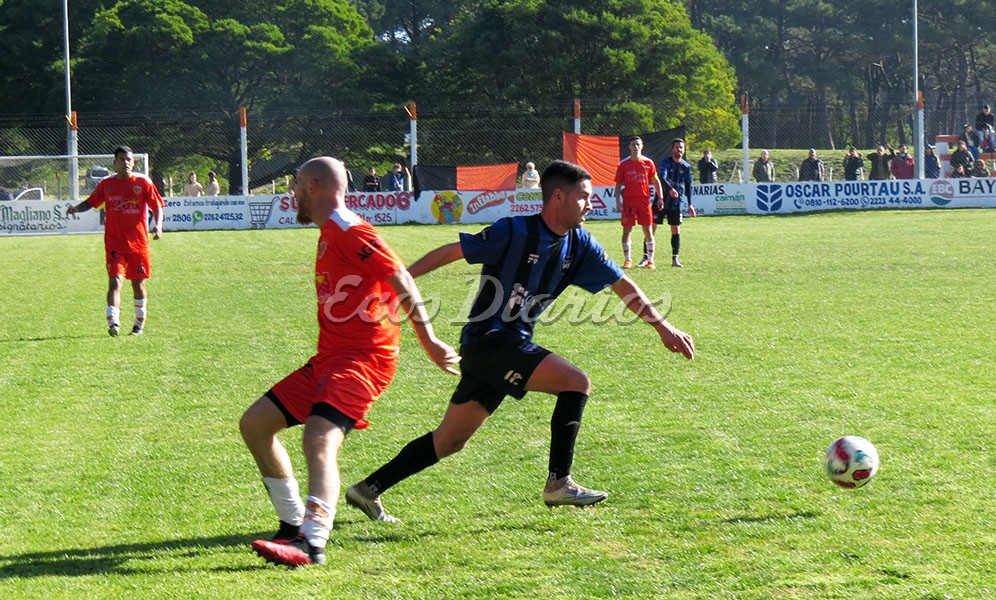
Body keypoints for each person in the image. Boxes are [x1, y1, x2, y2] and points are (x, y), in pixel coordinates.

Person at [344, 160, 695, 524]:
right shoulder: (514, 231)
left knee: (450, 441)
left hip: (503, 348)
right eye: (584, 197)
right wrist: (397, 281)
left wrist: (662, 327)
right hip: (490, 341)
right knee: (576, 382)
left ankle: (368, 489)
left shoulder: (581, 244)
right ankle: (559, 482)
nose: (592, 204)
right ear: (558, 196)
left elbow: (623, 286)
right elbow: (451, 251)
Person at [242, 156, 460, 568]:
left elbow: (401, 276)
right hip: (330, 358)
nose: (290, 193)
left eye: (294, 185)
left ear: (313, 186)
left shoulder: (347, 227)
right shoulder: (329, 231)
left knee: (319, 439)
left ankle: (311, 542)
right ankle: (292, 525)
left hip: (363, 359)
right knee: (255, 424)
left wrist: (428, 339)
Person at [66, 146, 163, 336]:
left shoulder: (143, 182)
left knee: (138, 284)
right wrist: (75, 209)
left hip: (138, 244)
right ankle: (114, 323)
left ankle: (138, 325)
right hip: (114, 244)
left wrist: (158, 226)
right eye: (122, 159)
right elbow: (91, 202)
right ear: (115, 162)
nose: (126, 163)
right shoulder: (107, 184)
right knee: (115, 281)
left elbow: (157, 205)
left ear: (133, 162)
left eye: (129, 159)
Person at [614, 136, 666, 269]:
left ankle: (650, 260)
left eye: (638, 144)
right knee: (627, 230)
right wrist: (617, 200)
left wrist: (660, 197)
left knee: (648, 230)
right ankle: (628, 260)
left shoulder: (648, 163)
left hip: (644, 201)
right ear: (629, 147)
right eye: (633, 144)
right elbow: (618, 183)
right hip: (629, 201)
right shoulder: (624, 164)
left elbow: (655, 180)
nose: (635, 147)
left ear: (642, 146)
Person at [657, 138, 696, 268]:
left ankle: (675, 259)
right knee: (652, 228)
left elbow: (688, 185)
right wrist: (670, 189)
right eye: (677, 147)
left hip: (675, 202)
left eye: (681, 147)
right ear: (672, 149)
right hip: (661, 199)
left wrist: (690, 204)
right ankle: (647, 258)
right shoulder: (666, 162)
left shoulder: (686, 166)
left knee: (675, 229)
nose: (679, 150)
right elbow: (662, 177)